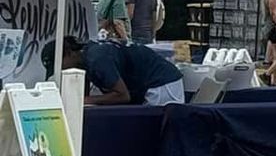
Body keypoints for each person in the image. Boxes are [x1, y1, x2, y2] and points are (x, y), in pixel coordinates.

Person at [50, 35, 185, 106]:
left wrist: (84, 100)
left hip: (162, 84)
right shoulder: (86, 57)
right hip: (155, 81)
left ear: (69, 53)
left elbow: (122, 96)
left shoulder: (96, 59)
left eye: (59, 65)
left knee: (154, 136)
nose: (61, 70)